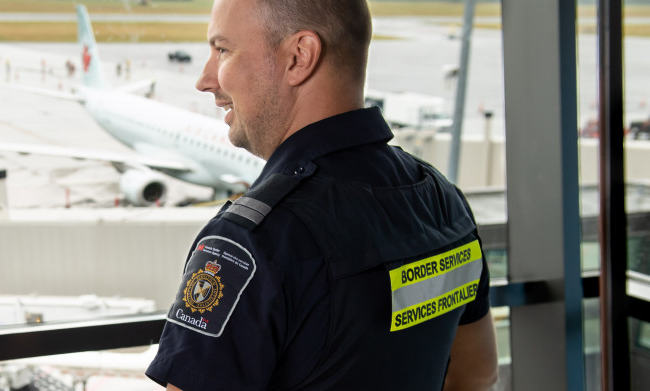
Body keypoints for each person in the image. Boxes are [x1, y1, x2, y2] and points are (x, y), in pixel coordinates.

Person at [145, 0, 498, 390]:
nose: (206, 79)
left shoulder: (251, 245)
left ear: (299, 57)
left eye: (223, 50)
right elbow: (476, 374)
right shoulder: (442, 201)